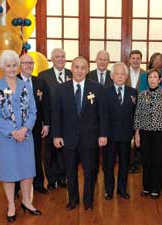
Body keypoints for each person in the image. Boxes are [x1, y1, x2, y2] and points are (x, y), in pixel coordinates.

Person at [0, 50, 41, 223]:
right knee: (9, 172)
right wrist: (12, 131)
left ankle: (27, 201)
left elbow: (33, 111)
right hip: (5, 138)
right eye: (8, 65)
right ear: (2, 67)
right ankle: (11, 204)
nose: (11, 69)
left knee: (27, 171)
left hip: (25, 136)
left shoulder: (26, 85)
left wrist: (25, 129)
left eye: (14, 65)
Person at [52, 56, 107, 211]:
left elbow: (102, 114)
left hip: (90, 139)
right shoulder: (61, 89)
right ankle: (73, 200)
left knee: (90, 172)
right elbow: (56, 115)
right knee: (70, 172)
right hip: (68, 139)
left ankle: (88, 202)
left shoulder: (97, 88)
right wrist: (56, 135)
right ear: (71, 68)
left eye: (83, 68)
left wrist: (103, 135)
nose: (79, 70)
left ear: (87, 70)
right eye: (76, 67)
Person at [134, 68, 162, 199]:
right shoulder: (142, 95)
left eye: (155, 77)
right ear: (147, 80)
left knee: (158, 161)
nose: (152, 79)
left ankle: (156, 188)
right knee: (146, 161)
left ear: (160, 80)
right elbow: (138, 115)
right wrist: (137, 133)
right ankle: (146, 187)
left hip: (160, 134)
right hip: (144, 133)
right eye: (150, 77)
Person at [14, 54, 50, 196]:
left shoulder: (40, 82)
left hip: (36, 127)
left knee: (36, 154)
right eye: (25, 63)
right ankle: (17, 186)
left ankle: (39, 183)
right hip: (18, 128)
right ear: (19, 65)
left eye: (31, 63)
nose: (29, 66)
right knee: (18, 157)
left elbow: (46, 105)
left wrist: (46, 124)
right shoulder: (13, 81)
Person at [102, 62, 138, 200]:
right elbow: (102, 115)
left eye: (123, 74)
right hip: (109, 136)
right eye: (116, 73)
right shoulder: (104, 92)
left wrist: (135, 133)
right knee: (108, 165)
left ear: (126, 76)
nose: (120, 76)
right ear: (112, 76)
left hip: (125, 135)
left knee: (124, 164)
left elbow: (136, 114)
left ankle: (122, 189)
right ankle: (108, 190)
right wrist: (103, 134)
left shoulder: (133, 92)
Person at [38, 48, 72, 190]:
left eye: (63, 56)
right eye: (57, 56)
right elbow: (43, 101)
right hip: (50, 120)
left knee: (65, 151)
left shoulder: (71, 74)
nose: (60, 59)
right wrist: (44, 122)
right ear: (52, 59)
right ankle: (51, 180)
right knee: (50, 152)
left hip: (68, 121)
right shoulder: (43, 75)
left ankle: (63, 177)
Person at [126, 50, 145, 174]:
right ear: (129, 59)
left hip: (141, 110)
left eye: (138, 58)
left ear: (141, 60)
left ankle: (136, 164)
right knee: (127, 138)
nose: (135, 60)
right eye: (133, 58)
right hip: (126, 111)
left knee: (140, 139)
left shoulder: (146, 74)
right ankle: (126, 163)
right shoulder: (124, 72)